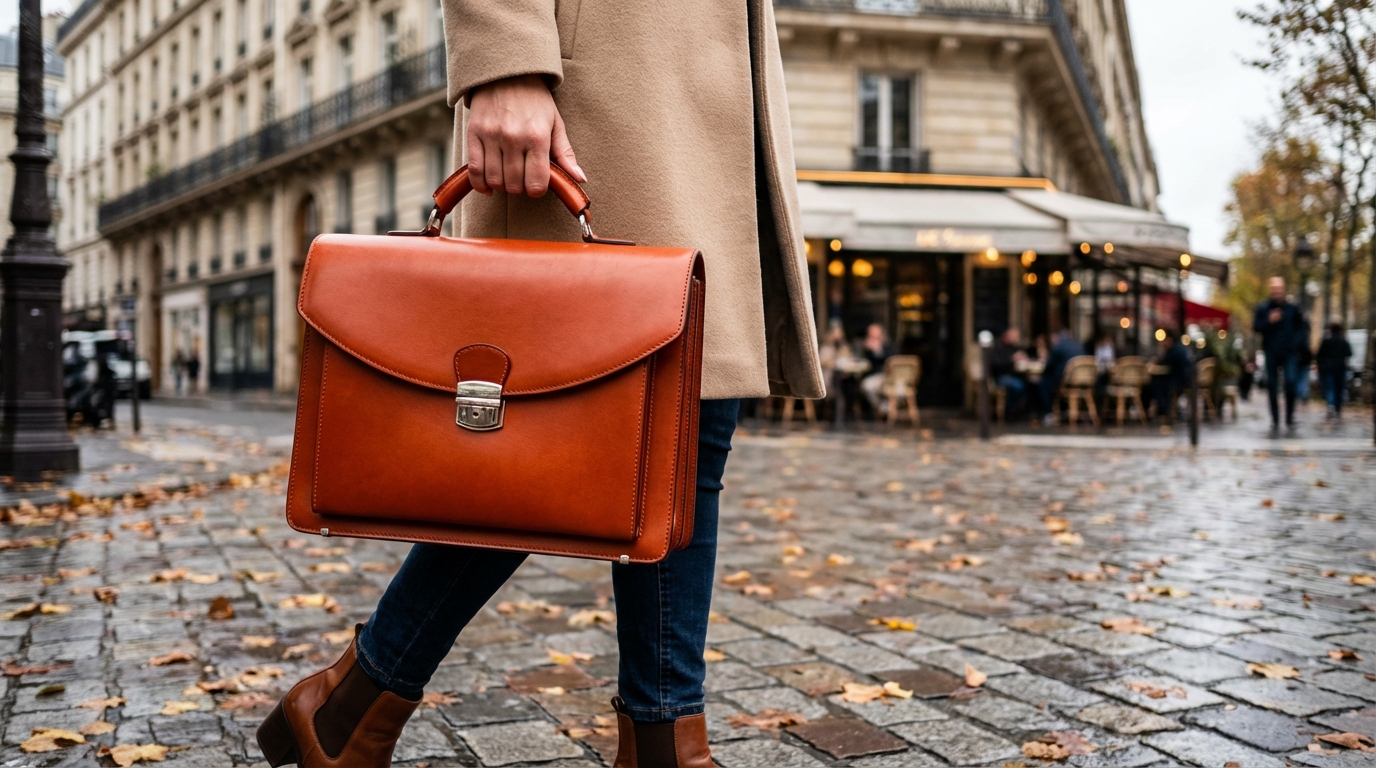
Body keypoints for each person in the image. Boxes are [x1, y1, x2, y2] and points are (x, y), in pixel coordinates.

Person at [258, 3, 826, 767]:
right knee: (544, 443)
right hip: (606, 77)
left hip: (707, 80)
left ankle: (361, 709)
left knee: (688, 418)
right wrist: (505, 62)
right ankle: (354, 707)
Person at [1252, 277, 1307, 431]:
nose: (1277, 292)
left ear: (1283, 289)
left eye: (1279, 289)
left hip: (1289, 352)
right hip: (1271, 352)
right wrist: (1269, 321)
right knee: (1272, 386)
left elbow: (1301, 328)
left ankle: (1289, 416)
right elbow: (1256, 327)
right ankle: (1275, 419)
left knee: (1290, 382)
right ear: (1271, 290)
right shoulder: (1263, 308)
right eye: (1274, 289)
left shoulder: (1292, 308)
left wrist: (1297, 344)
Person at [988, 328, 1042, 419]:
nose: (1016, 339)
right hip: (1001, 376)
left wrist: (1024, 359)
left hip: (1016, 375)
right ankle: (1010, 411)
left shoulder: (1014, 347)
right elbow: (996, 364)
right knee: (1017, 386)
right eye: (1014, 337)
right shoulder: (998, 347)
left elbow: (1023, 358)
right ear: (1007, 336)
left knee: (1031, 384)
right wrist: (1011, 359)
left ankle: (1027, 411)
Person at [1039, 329, 1086, 424]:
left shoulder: (1058, 347)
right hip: (1083, 381)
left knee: (1043, 384)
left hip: (1066, 381)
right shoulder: (1079, 345)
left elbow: (1049, 366)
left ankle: (1048, 413)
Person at [1149, 331, 1193, 421]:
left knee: (1156, 385)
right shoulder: (1182, 348)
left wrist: (1162, 351)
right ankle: (1164, 410)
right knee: (1158, 384)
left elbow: (1164, 363)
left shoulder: (1173, 351)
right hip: (1187, 379)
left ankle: (1165, 411)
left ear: (1169, 339)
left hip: (1178, 381)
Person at [1316, 323, 1353, 417]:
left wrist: (1320, 367)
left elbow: (1319, 355)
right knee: (1339, 389)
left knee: (1330, 388)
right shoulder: (1343, 342)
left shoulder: (1326, 342)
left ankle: (1331, 405)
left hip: (1328, 368)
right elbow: (1349, 354)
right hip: (1340, 368)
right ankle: (1338, 408)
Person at [858, 323, 893, 416]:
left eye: (874, 333)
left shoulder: (888, 346)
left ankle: (884, 408)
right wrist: (869, 351)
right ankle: (881, 408)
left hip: (886, 376)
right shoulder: (865, 347)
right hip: (871, 376)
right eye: (870, 333)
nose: (872, 335)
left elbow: (890, 359)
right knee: (866, 386)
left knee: (869, 386)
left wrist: (877, 351)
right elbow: (862, 362)